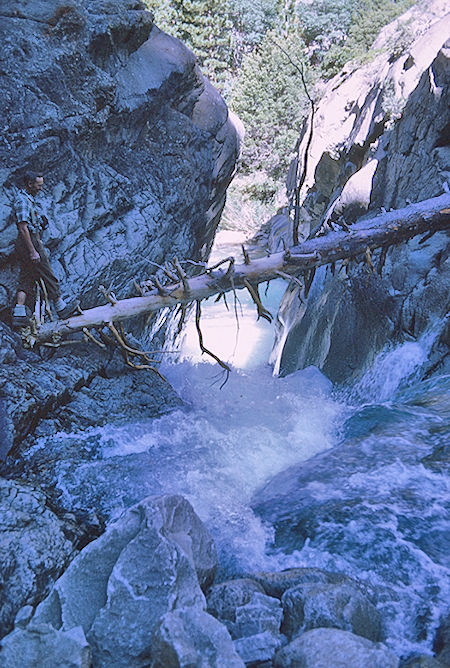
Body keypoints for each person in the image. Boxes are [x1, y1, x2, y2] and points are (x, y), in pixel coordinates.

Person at [11, 170, 78, 328]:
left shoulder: (28, 198)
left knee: (27, 276)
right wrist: (33, 250)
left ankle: (18, 313)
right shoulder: (22, 200)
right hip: (29, 242)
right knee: (47, 272)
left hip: (28, 241)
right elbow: (22, 228)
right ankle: (61, 308)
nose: (41, 188)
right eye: (38, 185)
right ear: (30, 184)